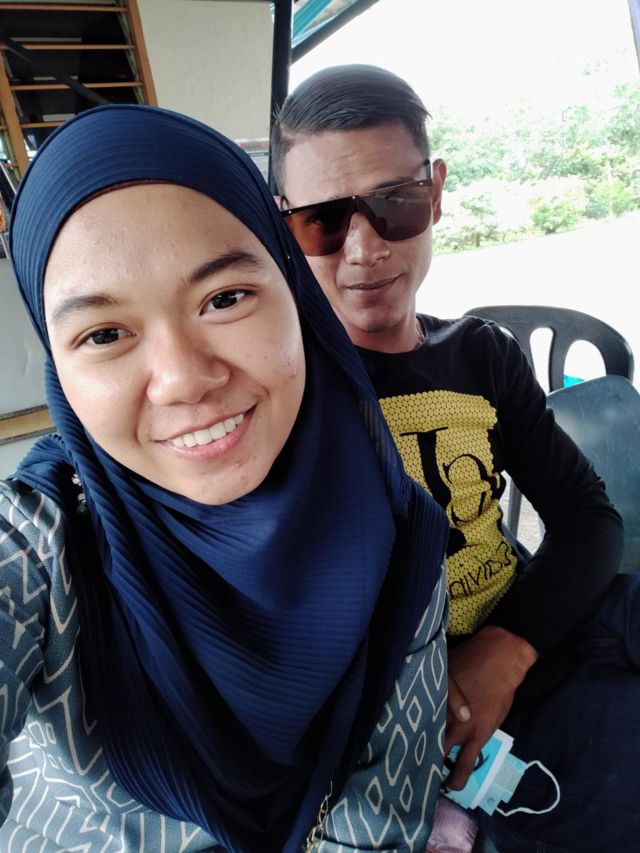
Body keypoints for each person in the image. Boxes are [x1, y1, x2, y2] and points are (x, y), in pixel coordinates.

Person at [0, 103, 450, 852]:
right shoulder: (39, 543)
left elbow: (378, 826)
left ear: (295, 295)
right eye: (104, 334)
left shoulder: (394, 531)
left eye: (225, 298)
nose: (183, 379)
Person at [271, 65, 640, 850]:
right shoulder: (279, 391)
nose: (364, 248)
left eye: (395, 203)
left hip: (539, 627)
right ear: (284, 226)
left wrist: (504, 650)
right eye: (324, 221)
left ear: (435, 192)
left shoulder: (483, 354)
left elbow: (588, 518)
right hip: (429, 716)